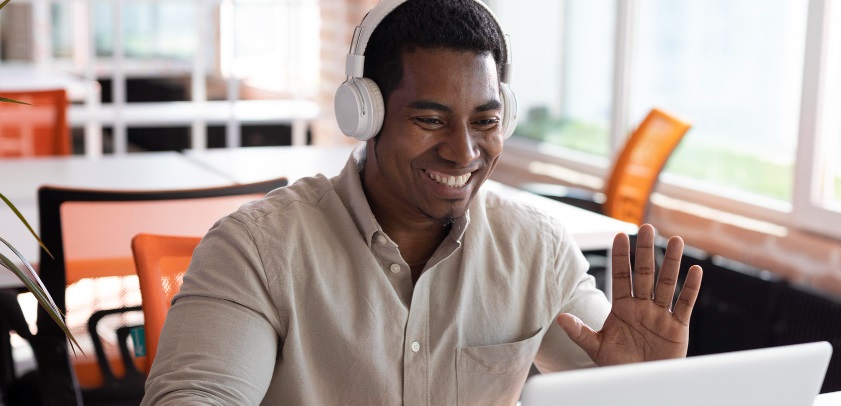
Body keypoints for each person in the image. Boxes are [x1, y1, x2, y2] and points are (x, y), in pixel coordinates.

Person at [141, 0, 703, 404]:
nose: (463, 151)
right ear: (365, 115)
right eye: (430, 119)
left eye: (485, 121)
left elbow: (617, 376)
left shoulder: (536, 250)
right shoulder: (259, 250)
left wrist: (647, 387)